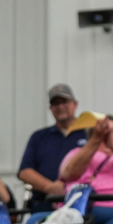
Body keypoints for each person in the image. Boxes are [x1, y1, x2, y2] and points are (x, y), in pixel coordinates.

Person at [18, 84, 87, 212]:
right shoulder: (39, 137)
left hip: (84, 201)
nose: (60, 107)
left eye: (64, 102)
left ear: (75, 104)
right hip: (45, 203)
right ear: (50, 108)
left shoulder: (89, 133)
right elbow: (24, 171)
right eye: (55, 103)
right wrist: (50, 187)